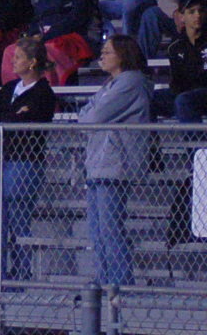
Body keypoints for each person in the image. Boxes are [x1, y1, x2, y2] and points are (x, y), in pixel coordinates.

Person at [0, 36, 57, 281]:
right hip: (0, 159)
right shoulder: (9, 88)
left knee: (19, 219)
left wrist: (8, 116)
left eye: (19, 58)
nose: (13, 62)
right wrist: (13, 115)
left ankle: (22, 272)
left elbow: (28, 123)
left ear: (32, 62)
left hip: (25, 161)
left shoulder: (43, 92)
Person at [77, 34, 152, 288]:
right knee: (97, 231)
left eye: (108, 52)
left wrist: (91, 117)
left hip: (115, 163)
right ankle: (104, 279)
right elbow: (85, 116)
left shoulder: (130, 81)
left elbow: (94, 116)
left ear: (122, 54)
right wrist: (90, 116)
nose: (102, 56)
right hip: (98, 161)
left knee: (110, 228)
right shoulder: (110, 84)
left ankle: (120, 283)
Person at [9, 0, 100, 85]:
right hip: (45, 37)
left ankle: (51, 96)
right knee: (11, 51)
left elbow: (78, 16)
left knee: (47, 51)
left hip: (73, 38)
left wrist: (47, 35)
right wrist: (32, 35)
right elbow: (35, 18)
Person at [165, 0, 207, 122]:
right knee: (148, 98)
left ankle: (194, 141)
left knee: (184, 100)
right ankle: (149, 141)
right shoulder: (175, 46)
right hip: (186, 93)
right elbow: (176, 81)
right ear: (181, 16)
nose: (198, 15)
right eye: (191, 12)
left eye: (201, 11)